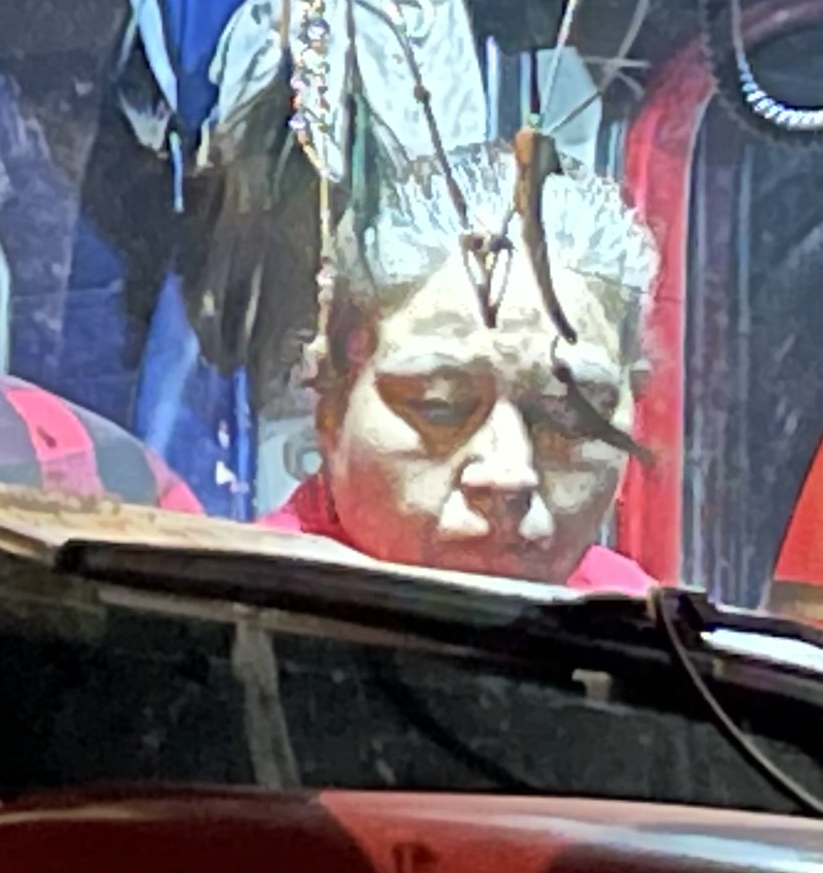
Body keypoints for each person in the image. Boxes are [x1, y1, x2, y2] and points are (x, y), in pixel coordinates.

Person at [267, 139, 659, 589]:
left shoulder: (647, 629)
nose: (508, 473)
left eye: (570, 416)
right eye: (439, 407)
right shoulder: (219, 616)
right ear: (331, 406)